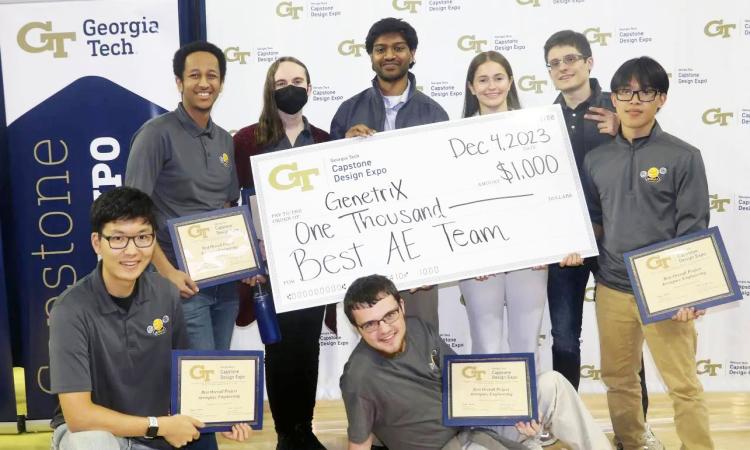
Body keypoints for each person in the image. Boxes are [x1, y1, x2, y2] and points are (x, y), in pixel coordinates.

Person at [577, 56, 714, 450]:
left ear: (662, 99)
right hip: (613, 288)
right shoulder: (596, 159)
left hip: (665, 292)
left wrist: (690, 292)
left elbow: (693, 227)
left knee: (683, 386)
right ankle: (631, 442)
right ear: (614, 98)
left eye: (645, 92)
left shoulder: (683, 156)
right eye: (625, 92)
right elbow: (595, 222)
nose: (634, 100)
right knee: (618, 380)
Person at [48, 186, 250, 450]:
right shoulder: (70, 309)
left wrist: (223, 416)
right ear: (97, 242)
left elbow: (187, 378)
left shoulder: (166, 293)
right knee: (90, 442)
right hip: (102, 433)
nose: (132, 251)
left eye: (143, 237)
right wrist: (159, 425)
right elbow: (79, 417)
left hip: (154, 439)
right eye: (118, 239)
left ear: (154, 241)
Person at [543, 31, 659, 448]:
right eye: (554, 63)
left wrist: (625, 131)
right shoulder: (541, 121)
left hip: (616, 241)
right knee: (562, 337)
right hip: (567, 245)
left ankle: (636, 426)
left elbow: (657, 157)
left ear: (590, 62)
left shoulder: (621, 106)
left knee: (628, 339)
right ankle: (565, 423)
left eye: (570, 59)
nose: (563, 68)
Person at [340, 274, 611, 450]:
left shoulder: (420, 328)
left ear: (402, 306)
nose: (384, 329)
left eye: (389, 316)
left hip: (474, 425)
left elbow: (466, 379)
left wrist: (517, 409)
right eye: (370, 324)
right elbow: (359, 444)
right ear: (356, 329)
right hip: (449, 447)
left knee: (552, 384)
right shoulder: (359, 376)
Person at [233, 56, 332, 450]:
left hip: (315, 264)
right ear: (269, 89)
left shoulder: (325, 140)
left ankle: (303, 430)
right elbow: (233, 203)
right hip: (268, 268)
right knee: (278, 348)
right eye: (281, 81)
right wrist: (247, 260)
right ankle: (284, 434)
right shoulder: (245, 141)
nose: (290, 87)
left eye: (297, 80)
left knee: (306, 347)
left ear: (309, 88)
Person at [330, 17, 449, 330]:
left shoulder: (435, 114)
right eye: (380, 49)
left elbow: (447, 183)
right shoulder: (347, 111)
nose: (389, 55)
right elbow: (328, 184)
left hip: (421, 243)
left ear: (412, 54)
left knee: (422, 333)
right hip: (363, 242)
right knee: (370, 329)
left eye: (398, 48)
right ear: (370, 56)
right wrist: (343, 148)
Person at [125, 41, 240, 352]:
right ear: (179, 82)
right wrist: (168, 273)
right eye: (194, 75)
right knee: (196, 382)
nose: (204, 83)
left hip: (224, 284)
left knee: (218, 378)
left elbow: (228, 205)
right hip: (181, 286)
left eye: (212, 76)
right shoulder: (155, 134)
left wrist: (244, 263)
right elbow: (133, 213)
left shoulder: (224, 140)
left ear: (221, 84)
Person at [458, 51, 547, 365]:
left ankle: (528, 415)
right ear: (471, 87)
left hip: (530, 255)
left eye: (498, 78)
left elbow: (548, 192)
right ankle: (489, 414)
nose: (491, 86)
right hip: (480, 257)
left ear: (510, 82)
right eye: (482, 79)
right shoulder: (455, 136)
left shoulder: (537, 129)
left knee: (526, 345)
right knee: (485, 343)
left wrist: (548, 247)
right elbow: (455, 201)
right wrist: (471, 257)